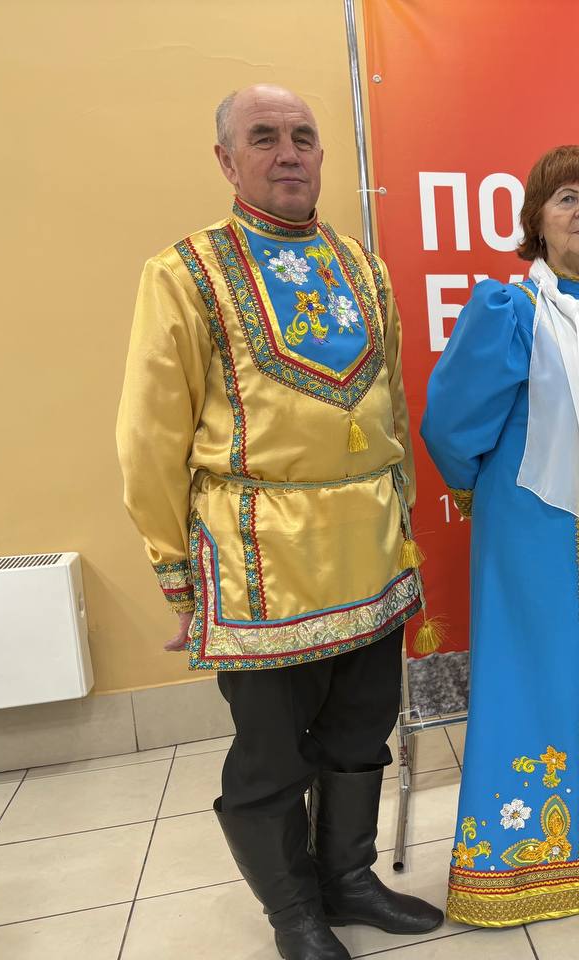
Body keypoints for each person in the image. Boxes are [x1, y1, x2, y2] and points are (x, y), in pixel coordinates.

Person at [116, 84, 441, 960]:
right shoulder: (184, 273)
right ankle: (294, 913)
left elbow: (391, 401)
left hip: (370, 552)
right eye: (264, 137)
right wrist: (175, 571)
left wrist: (404, 520)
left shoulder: (363, 268)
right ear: (227, 160)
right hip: (258, 558)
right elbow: (149, 435)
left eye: (303, 136)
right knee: (269, 754)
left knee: (361, 729)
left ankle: (349, 880)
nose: (289, 152)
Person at [421, 145, 579, 926]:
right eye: (566, 199)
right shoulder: (510, 311)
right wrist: (489, 500)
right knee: (541, 683)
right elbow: (450, 425)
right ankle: (529, 859)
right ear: (536, 219)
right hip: (535, 544)